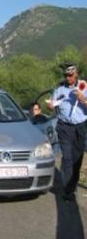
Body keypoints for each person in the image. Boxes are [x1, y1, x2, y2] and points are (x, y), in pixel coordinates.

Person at [47, 62, 87, 201]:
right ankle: (69, 190)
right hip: (64, 127)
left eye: (70, 75)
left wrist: (83, 100)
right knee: (68, 158)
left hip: (80, 127)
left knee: (77, 159)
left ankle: (72, 183)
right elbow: (52, 104)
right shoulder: (59, 90)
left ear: (76, 74)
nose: (68, 78)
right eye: (65, 75)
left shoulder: (84, 87)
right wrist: (51, 106)